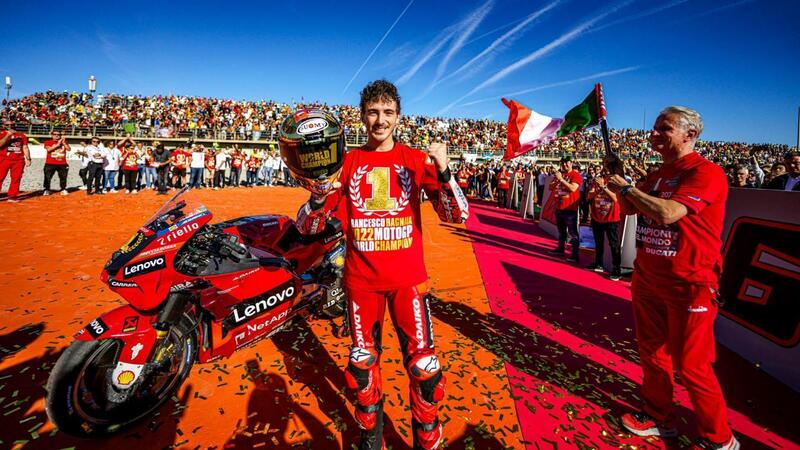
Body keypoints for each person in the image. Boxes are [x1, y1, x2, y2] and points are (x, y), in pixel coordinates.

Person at [291, 81, 468, 450]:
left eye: (388, 112)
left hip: (409, 282)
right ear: (362, 116)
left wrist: (445, 170)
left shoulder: (416, 160)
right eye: (373, 112)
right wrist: (319, 194)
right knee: (363, 368)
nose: (380, 120)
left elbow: (457, 215)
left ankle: (425, 438)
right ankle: (370, 438)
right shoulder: (345, 163)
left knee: (425, 370)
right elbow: (307, 228)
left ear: (398, 117)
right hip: (361, 284)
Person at [607, 106, 739, 450]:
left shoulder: (706, 172)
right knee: (652, 353)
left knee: (692, 365)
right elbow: (630, 209)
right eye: (654, 127)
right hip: (649, 279)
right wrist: (620, 181)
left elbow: (668, 214)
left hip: (690, 284)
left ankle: (720, 440)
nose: (653, 134)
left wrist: (626, 189)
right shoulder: (658, 174)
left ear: (689, 134)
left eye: (664, 128)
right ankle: (658, 416)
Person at [586, 166, 622, 280]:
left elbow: (616, 198)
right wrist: (597, 189)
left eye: (607, 170)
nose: (604, 172)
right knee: (598, 242)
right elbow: (589, 196)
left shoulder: (617, 182)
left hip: (611, 219)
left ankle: (616, 268)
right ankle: (598, 263)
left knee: (614, 244)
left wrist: (603, 187)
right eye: (604, 170)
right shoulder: (597, 181)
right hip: (597, 217)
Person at [548, 155, 582, 263]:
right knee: (561, 231)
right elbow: (550, 187)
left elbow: (573, 188)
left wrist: (561, 180)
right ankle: (560, 248)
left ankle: (575, 255)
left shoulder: (575, 175)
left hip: (570, 208)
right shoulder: (560, 174)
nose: (564, 165)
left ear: (571, 163)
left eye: (566, 162)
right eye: (562, 163)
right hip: (559, 207)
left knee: (573, 233)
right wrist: (557, 180)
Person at [0, 120, 31, 202]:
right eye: (7, 125)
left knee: (16, 178)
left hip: (18, 160)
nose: (10, 126)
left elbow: (25, 147)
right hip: (4, 159)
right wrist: (8, 135)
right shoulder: (1, 134)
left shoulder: (21, 135)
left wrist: (28, 158)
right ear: (3, 126)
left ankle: (12, 196)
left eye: (12, 124)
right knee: (0, 177)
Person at [43, 130, 71, 195]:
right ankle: (47, 189)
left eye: (58, 134)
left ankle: (63, 189)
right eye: (55, 134)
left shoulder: (65, 142)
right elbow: (49, 149)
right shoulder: (48, 142)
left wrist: (63, 143)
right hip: (50, 163)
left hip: (62, 163)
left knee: (63, 177)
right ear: (52, 135)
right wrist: (58, 144)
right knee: (47, 177)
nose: (56, 136)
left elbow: (69, 149)